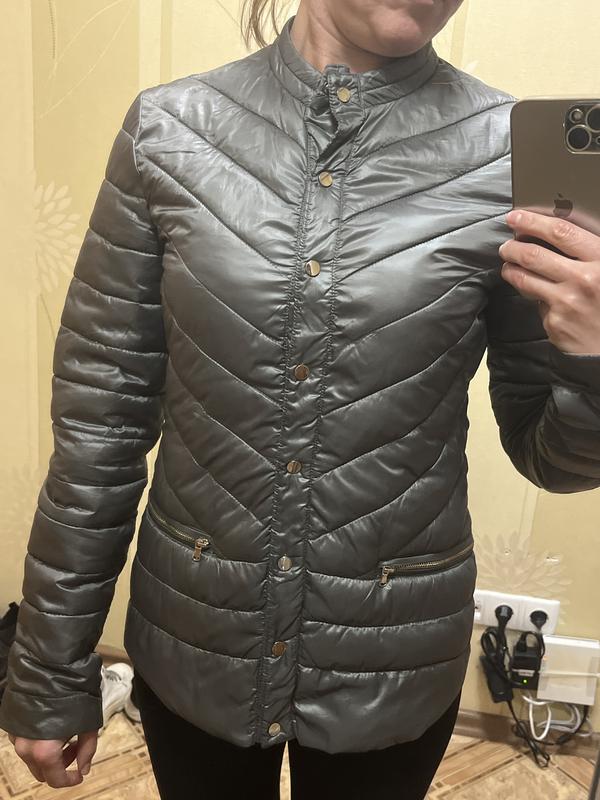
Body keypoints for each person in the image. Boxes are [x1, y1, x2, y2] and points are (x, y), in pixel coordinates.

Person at [2, 0, 600, 796]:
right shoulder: (170, 132)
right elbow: (98, 428)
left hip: (394, 656)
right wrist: (49, 668)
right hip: (195, 638)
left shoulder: (513, 158)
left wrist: (595, 358)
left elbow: (553, 458)